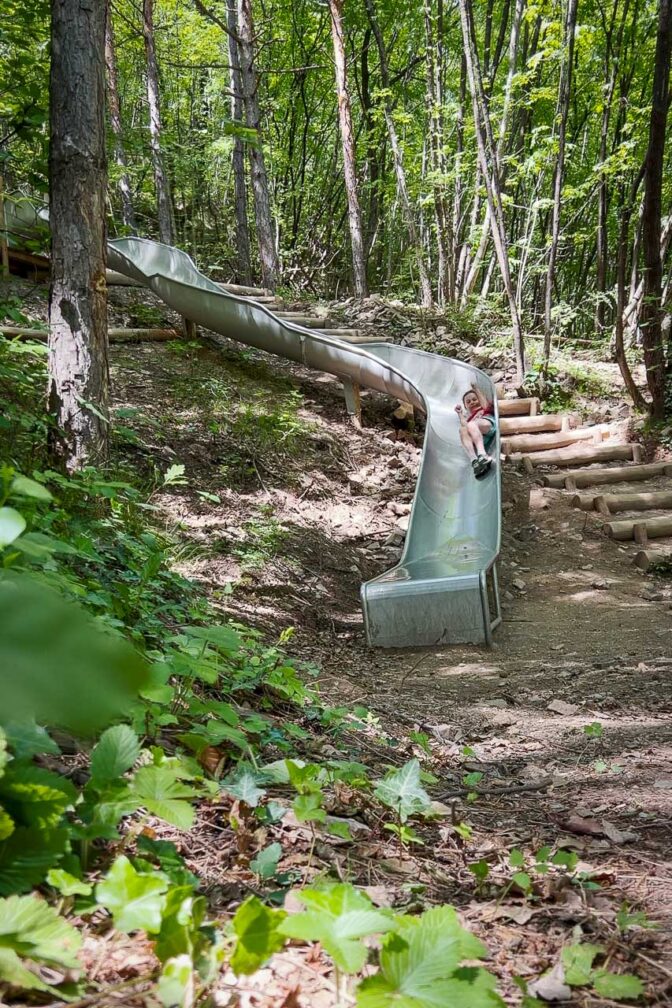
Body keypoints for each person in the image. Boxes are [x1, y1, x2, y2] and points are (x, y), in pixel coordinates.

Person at [455, 381, 496, 479]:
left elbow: (485, 404)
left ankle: (482, 455)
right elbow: (465, 425)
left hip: (488, 425)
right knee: (462, 430)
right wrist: (460, 413)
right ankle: (474, 460)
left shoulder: (484, 409)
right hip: (480, 438)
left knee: (471, 424)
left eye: (474, 399)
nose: (472, 402)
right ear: (466, 407)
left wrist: (476, 389)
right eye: (468, 402)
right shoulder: (470, 419)